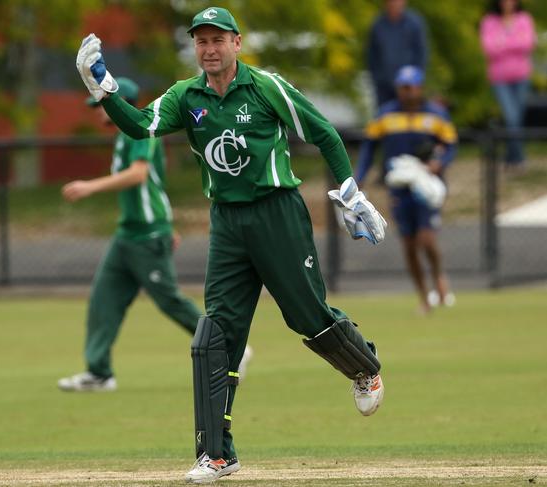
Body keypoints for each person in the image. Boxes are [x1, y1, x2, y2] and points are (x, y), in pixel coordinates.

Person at [75, 7, 387, 483]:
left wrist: (350, 192)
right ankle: (217, 454)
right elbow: (140, 126)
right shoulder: (187, 95)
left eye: (218, 39)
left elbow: (323, 132)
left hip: (277, 214)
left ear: (237, 43)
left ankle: (364, 367)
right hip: (227, 223)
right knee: (214, 336)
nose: (210, 48)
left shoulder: (265, 86)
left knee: (305, 315)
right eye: (201, 41)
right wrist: (103, 86)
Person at [58, 78, 252, 392]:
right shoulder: (123, 135)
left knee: (169, 300)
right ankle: (99, 373)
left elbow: (139, 175)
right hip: (128, 233)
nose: (98, 112)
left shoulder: (139, 129)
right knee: (103, 300)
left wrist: (89, 186)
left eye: (102, 105)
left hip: (148, 234)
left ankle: (229, 348)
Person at [356, 65, 457, 314]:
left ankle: (439, 278)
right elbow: (369, 147)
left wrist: (439, 163)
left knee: (427, 238)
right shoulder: (386, 115)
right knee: (410, 244)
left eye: (411, 87)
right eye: (403, 87)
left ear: (419, 87)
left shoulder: (435, 114)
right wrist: (358, 177)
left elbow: (451, 144)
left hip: (425, 184)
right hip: (399, 185)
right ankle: (424, 297)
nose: (407, 92)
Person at [480, 0, 536, 172]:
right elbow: (489, 48)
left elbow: (528, 44)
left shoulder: (524, 19)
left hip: (521, 76)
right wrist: (514, 41)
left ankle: (511, 158)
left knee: (516, 119)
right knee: (511, 118)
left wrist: (503, 42)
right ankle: (518, 159)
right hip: (500, 78)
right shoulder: (489, 21)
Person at [367, 0, 428, 107]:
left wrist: (415, 79)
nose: (394, 3)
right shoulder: (377, 25)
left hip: (409, 85)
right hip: (384, 85)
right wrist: (377, 77)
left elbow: (421, 52)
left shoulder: (414, 23)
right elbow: (372, 55)